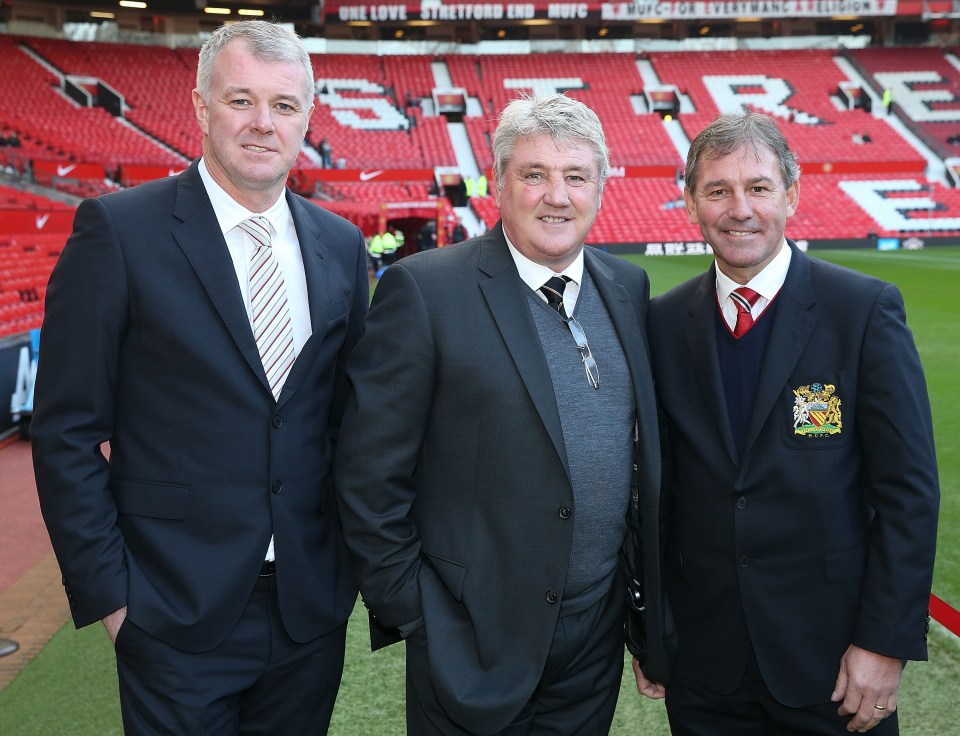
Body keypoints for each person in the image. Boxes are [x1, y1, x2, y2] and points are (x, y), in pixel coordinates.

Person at [31, 20, 369, 734]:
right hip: (170, 609)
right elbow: (66, 431)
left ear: (307, 116)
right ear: (200, 107)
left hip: (308, 610)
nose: (262, 124)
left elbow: (345, 421)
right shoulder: (118, 232)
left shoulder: (341, 245)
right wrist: (116, 601)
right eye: (240, 99)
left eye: (283, 105)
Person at [334, 92, 670, 735]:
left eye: (576, 176)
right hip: (471, 637)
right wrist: (419, 611)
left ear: (600, 187)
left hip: (593, 638)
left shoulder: (626, 287)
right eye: (534, 174)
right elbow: (367, 473)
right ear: (499, 184)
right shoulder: (426, 290)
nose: (557, 196)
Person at [639, 110, 940, 735]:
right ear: (691, 201)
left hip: (833, 666)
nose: (738, 209)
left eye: (758, 188)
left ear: (792, 195)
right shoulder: (662, 324)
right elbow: (656, 494)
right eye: (717, 190)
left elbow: (908, 493)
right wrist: (654, 632)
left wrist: (884, 645)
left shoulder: (862, 311)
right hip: (705, 667)